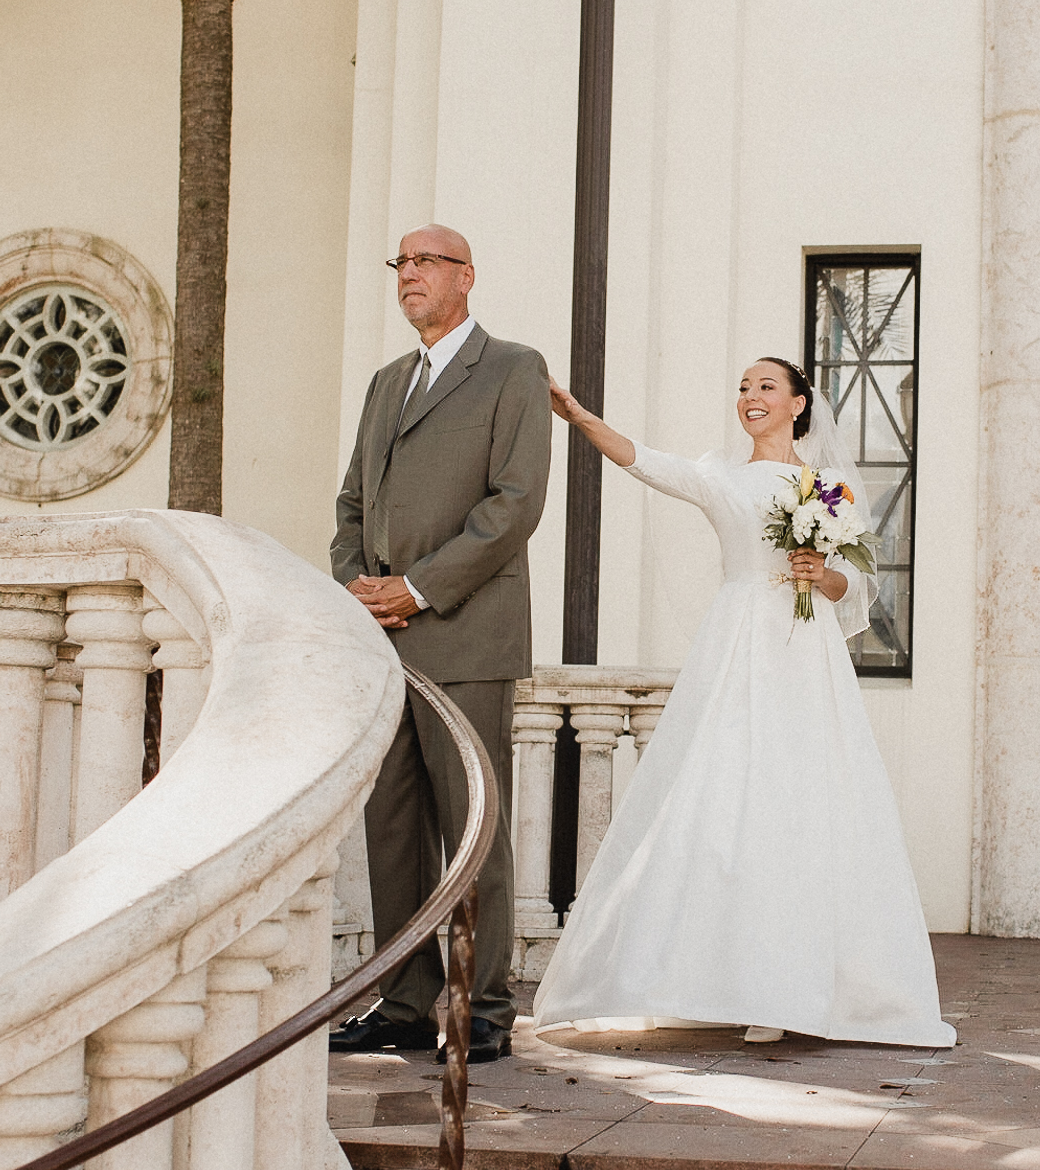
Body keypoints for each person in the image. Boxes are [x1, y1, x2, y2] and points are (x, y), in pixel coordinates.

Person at [533, 359, 955, 1048]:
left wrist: (821, 575)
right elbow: (644, 461)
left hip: (804, 654)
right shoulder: (718, 475)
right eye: (742, 388)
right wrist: (577, 415)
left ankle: (793, 988)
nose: (750, 397)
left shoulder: (828, 489)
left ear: (797, 404)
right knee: (720, 796)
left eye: (765, 387)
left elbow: (856, 586)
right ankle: (724, 978)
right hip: (734, 647)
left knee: (802, 800)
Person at [329, 225, 551, 1063]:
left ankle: (482, 1004)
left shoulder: (512, 368)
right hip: (382, 641)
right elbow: (352, 502)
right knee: (391, 826)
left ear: (466, 276)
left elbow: (514, 504)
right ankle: (405, 1001)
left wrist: (417, 587)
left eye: (424, 263)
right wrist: (361, 587)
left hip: (465, 636)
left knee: (470, 827)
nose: (407, 276)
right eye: (400, 265)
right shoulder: (388, 383)